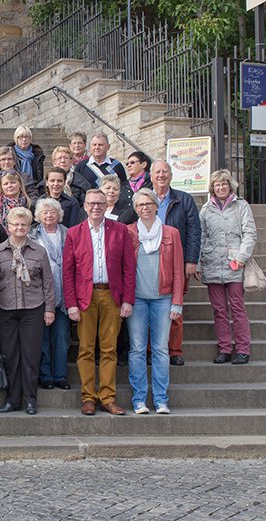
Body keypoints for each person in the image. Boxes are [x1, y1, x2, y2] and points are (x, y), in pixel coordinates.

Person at [63, 189, 135, 416]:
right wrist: (71, 303)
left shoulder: (120, 230)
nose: (96, 207)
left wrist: (128, 300)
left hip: (111, 296)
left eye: (100, 203)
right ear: (85, 206)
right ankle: (88, 397)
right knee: (85, 349)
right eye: (92, 203)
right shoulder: (74, 233)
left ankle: (107, 397)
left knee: (109, 349)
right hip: (85, 297)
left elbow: (128, 268)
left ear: (106, 206)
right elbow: (68, 271)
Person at [126, 189, 184, 414]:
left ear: (156, 206)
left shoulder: (171, 233)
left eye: (148, 203)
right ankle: (139, 399)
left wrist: (177, 301)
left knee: (160, 349)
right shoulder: (129, 232)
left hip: (163, 299)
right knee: (137, 349)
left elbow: (178, 270)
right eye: (140, 205)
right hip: (137, 300)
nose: (145, 208)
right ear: (135, 208)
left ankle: (161, 400)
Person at [0, 208, 55, 415]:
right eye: (15, 224)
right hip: (5, 308)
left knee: (31, 356)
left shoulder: (39, 251)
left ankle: (30, 400)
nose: (19, 228)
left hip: (33, 308)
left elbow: (48, 282)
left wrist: (49, 309)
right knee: (10, 356)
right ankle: (12, 399)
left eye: (24, 224)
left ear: (29, 227)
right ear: (8, 227)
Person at [198, 169, 257, 365]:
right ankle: (224, 349)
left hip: (235, 264)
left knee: (237, 308)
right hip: (212, 263)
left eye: (224, 183)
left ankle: (242, 349)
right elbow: (201, 236)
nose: (221, 187)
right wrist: (198, 262)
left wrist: (241, 257)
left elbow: (250, 233)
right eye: (217, 184)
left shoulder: (241, 205)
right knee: (219, 310)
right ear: (212, 188)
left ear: (230, 185)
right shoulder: (206, 209)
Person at [149, 160, 201, 366]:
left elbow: (194, 230)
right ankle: (150, 350)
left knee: (175, 306)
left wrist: (191, 260)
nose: (161, 175)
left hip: (176, 261)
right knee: (149, 306)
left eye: (165, 172)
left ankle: (174, 350)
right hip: (149, 261)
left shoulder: (184, 199)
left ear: (171, 175)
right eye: (157, 172)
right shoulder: (144, 197)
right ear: (151, 176)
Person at [29, 198, 71, 390]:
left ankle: (60, 376)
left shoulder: (68, 233)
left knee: (61, 337)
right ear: (38, 215)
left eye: (52, 212)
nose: (48, 215)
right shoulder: (32, 235)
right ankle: (45, 376)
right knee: (43, 339)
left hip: (64, 293)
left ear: (59, 214)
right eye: (45, 212)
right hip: (40, 293)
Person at [70, 133, 127, 206]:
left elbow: (124, 188)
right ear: (90, 147)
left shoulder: (116, 165)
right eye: (94, 145)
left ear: (108, 147)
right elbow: (76, 190)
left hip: (114, 207)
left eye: (100, 145)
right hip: (90, 207)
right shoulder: (81, 166)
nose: (97, 147)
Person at [6, 125, 44, 194]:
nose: (24, 140)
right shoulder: (9, 153)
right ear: (16, 138)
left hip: (33, 188)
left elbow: (39, 174)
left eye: (27, 137)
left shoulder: (37, 154)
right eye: (21, 137)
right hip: (14, 188)